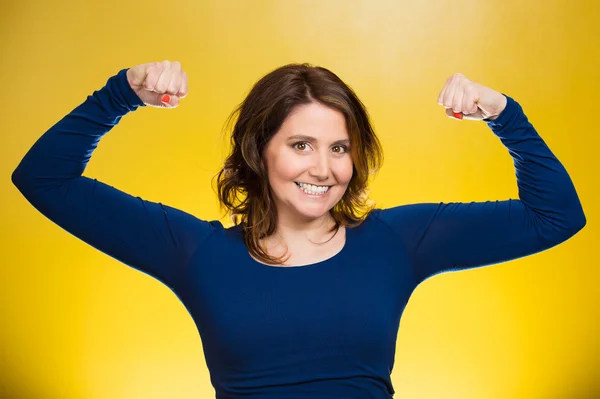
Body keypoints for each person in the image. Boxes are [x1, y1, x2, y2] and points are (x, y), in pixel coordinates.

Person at [11, 60, 586, 399]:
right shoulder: (196, 252)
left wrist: (504, 115)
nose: (324, 169)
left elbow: (556, 216)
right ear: (258, 153)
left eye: (340, 148)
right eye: (300, 145)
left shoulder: (399, 241)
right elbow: (44, 178)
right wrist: (121, 94)